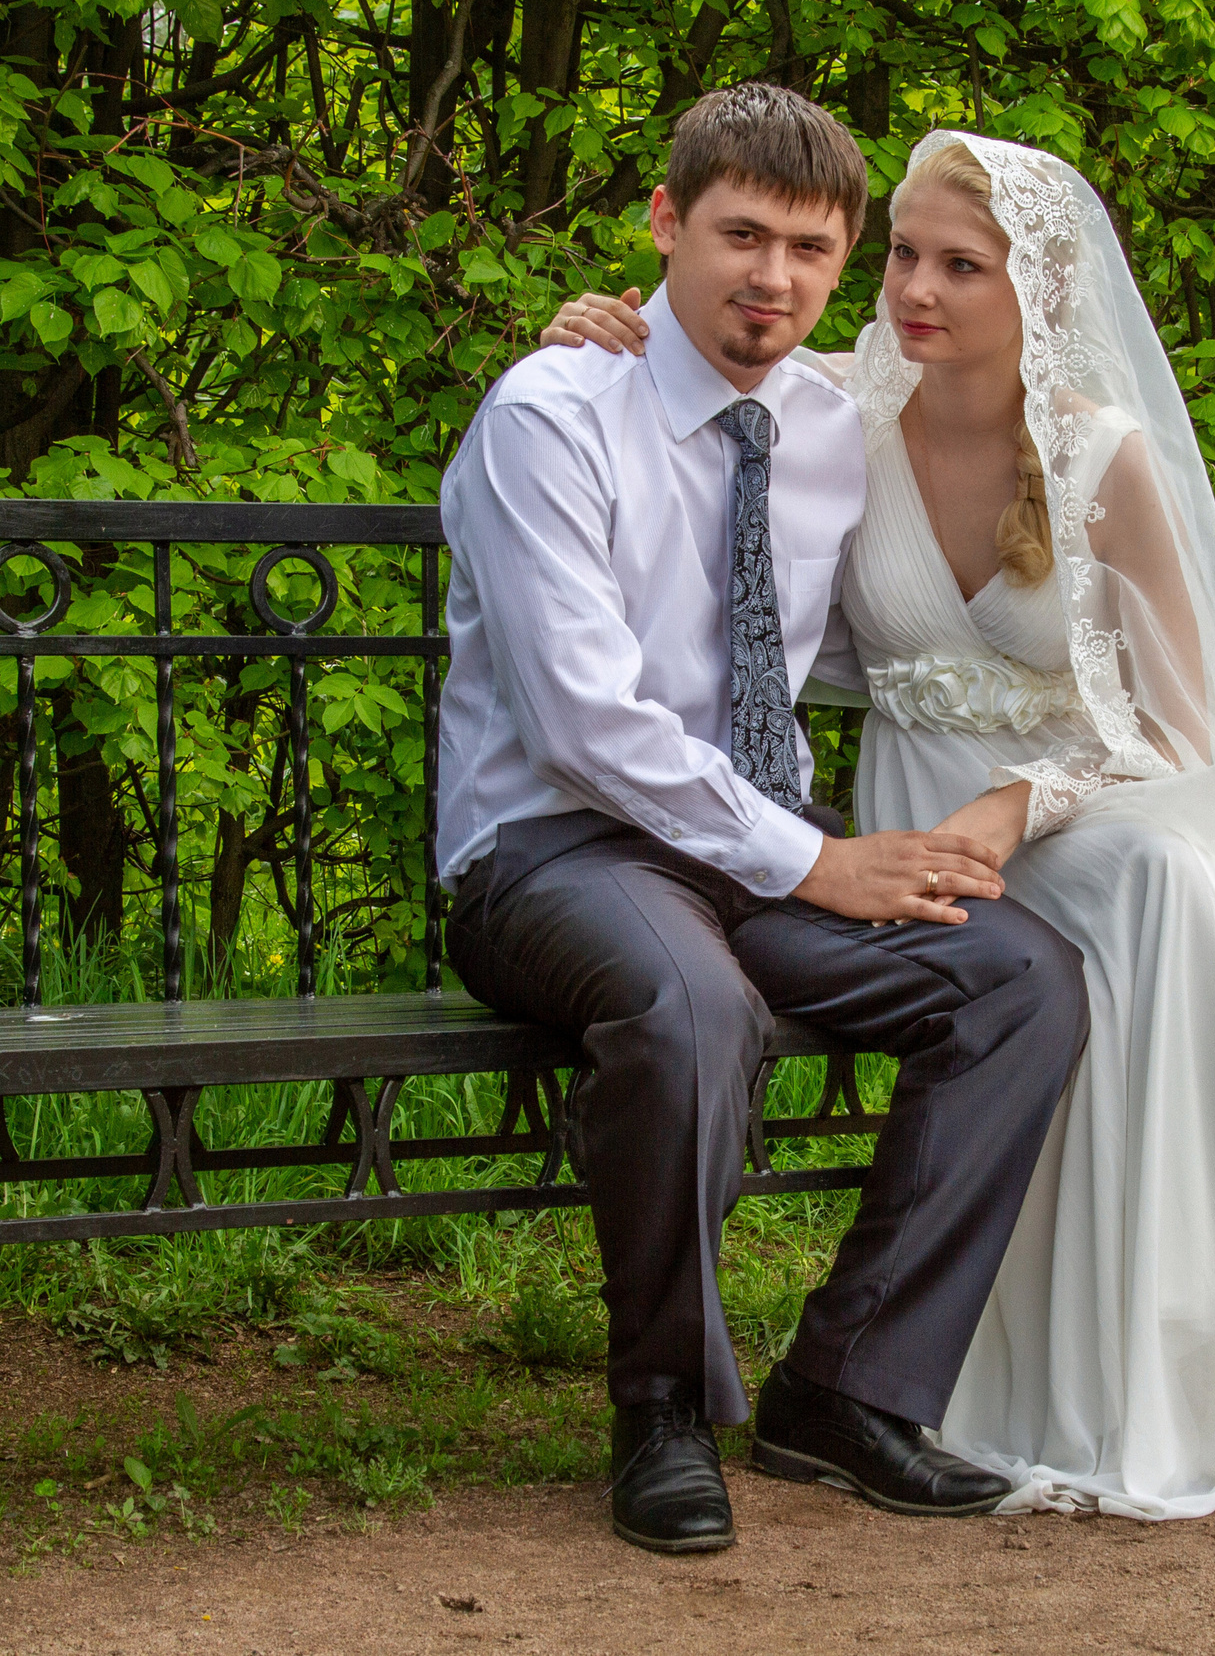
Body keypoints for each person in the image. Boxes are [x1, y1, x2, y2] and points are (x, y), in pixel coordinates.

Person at [541, 131, 1215, 1530]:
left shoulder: (1102, 458)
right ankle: (985, 1376)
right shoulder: (834, 417)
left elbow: (1191, 727)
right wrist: (592, 327)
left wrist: (1020, 800)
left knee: (1166, 879)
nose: (911, 291)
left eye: (959, 267)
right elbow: (688, 375)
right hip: (905, 825)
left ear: (1035, 290)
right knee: (1057, 951)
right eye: (906, 258)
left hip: (1078, 803)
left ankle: (1197, 1357)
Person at [437, 87, 1092, 1557]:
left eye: (809, 247)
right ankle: (661, 1408)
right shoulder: (554, 413)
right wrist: (821, 861)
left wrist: (1068, 729)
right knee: (691, 1007)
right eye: (739, 235)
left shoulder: (828, 427)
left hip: (748, 853)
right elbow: (583, 723)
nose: (773, 279)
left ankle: (845, 1392)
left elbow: (895, 623)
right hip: (554, 851)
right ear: (665, 227)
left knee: (1019, 979)